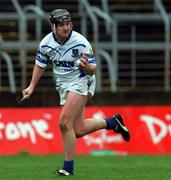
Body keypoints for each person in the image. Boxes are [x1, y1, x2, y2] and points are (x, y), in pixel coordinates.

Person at [21, 9, 130, 176]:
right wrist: (31, 86)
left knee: (64, 122)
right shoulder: (46, 43)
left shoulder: (80, 42)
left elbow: (93, 69)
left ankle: (68, 169)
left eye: (68, 24)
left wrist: (87, 67)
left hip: (82, 81)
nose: (66, 28)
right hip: (63, 85)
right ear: (53, 26)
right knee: (78, 129)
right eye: (62, 25)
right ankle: (112, 123)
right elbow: (40, 65)